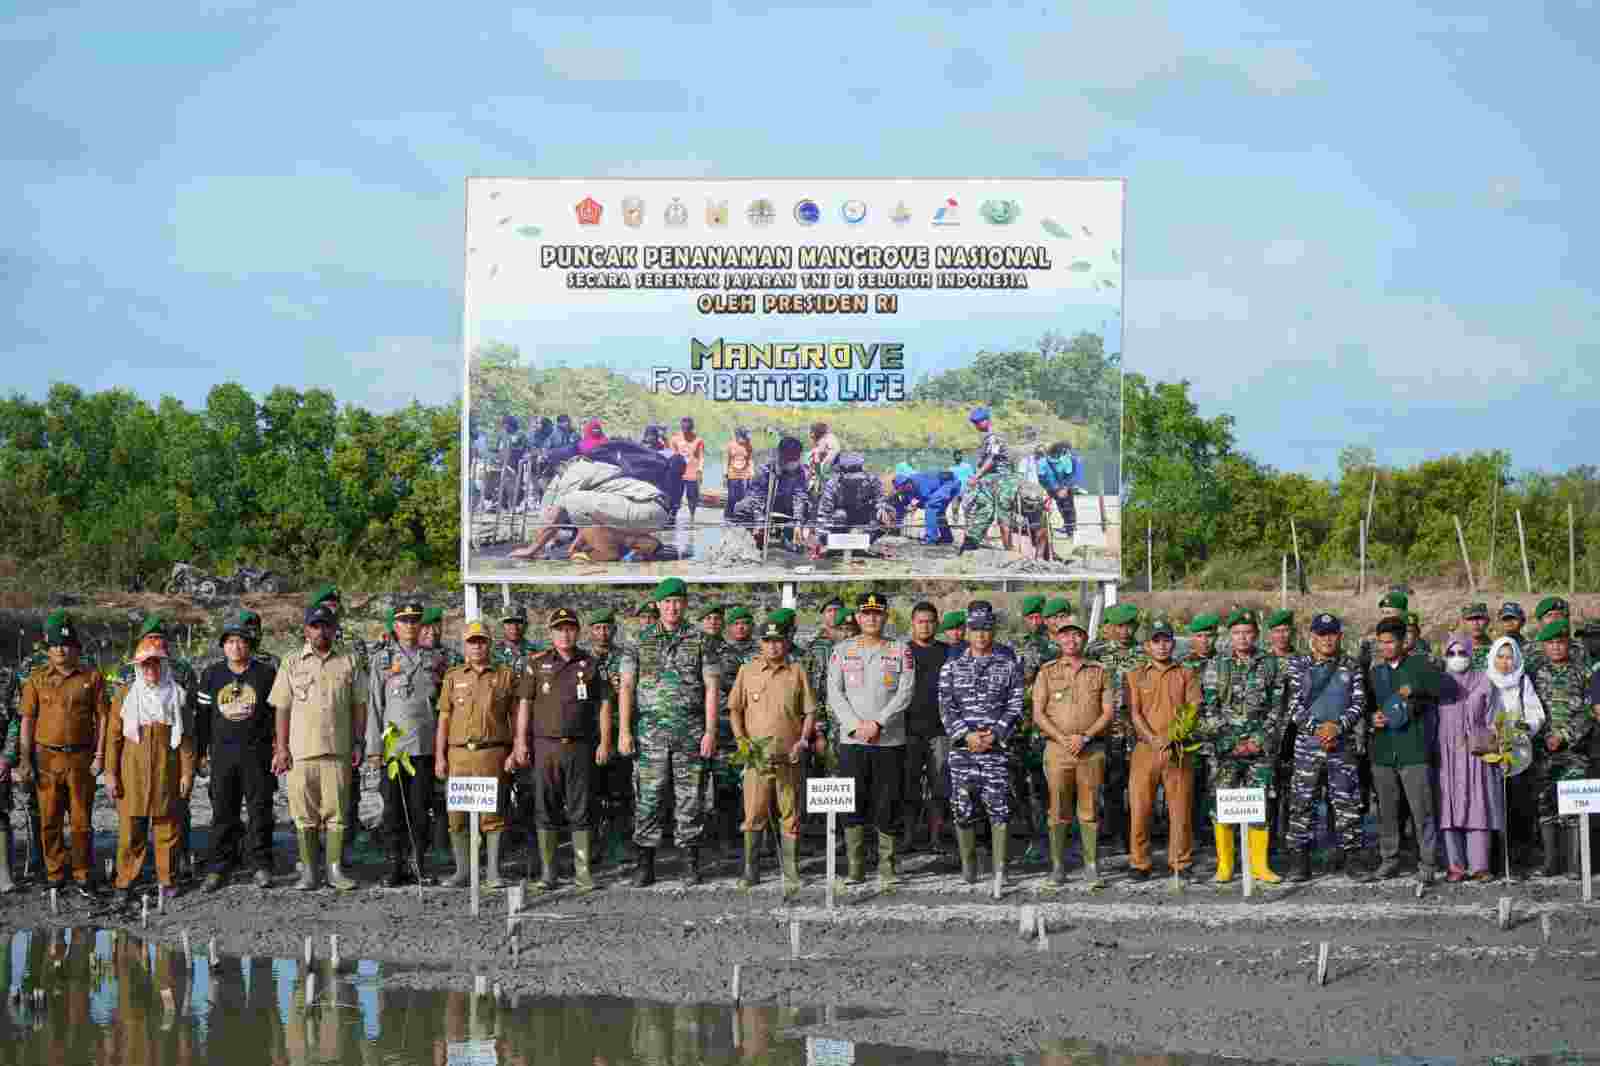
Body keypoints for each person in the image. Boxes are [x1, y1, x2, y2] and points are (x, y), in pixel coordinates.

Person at [618, 578, 719, 887]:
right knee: (648, 800)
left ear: (685, 604)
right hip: (649, 736)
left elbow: (712, 687)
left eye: (678, 601)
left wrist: (711, 731)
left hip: (690, 734)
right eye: (667, 602)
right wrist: (624, 730)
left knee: (689, 801)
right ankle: (644, 865)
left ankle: (689, 864)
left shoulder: (701, 639)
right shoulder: (638, 640)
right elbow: (626, 686)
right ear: (658, 605)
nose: (673, 607)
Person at [513, 608, 613, 893]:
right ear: (551, 633)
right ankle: (549, 874)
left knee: (581, 809)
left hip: (579, 747)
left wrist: (605, 742)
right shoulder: (536, 664)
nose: (565, 634)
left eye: (570, 628)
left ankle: (582, 874)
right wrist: (520, 741)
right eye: (559, 629)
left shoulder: (591, 664)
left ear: (577, 632)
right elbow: (524, 704)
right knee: (546, 808)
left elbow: (605, 705)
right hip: (545, 747)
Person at [269, 603, 368, 891]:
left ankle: (335, 872)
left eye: (326, 626)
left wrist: (359, 742)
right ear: (305, 630)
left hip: (338, 750)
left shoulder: (349, 660)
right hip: (300, 753)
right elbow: (282, 708)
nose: (320, 631)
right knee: (303, 814)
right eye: (315, 626)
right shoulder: (291, 662)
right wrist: (282, 748)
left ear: (335, 629)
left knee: (337, 813)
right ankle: (309, 873)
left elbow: (359, 705)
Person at [15, 610, 110, 898]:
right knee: (50, 820)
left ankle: (82, 874)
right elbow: (27, 720)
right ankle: (55, 874)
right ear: (48, 648)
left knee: (81, 822)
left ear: (76, 648)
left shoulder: (91, 678)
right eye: (55, 644)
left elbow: (103, 718)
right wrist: (23, 758)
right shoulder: (36, 679)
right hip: (46, 759)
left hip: (81, 759)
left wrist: (100, 756)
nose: (60, 649)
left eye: (66, 644)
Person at [828, 592, 915, 887]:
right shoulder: (842, 650)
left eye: (877, 614)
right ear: (857, 617)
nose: (871, 619)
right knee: (852, 802)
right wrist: (855, 725)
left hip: (888, 740)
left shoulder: (900, 650)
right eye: (866, 614)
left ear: (886, 617)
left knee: (887, 802)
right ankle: (855, 867)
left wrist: (878, 722)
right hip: (853, 741)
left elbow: (905, 692)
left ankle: (887, 867)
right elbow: (834, 694)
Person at [728, 612, 816, 896]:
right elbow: (735, 709)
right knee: (753, 815)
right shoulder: (747, 671)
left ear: (786, 642)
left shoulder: (797, 671)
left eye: (778, 641)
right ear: (761, 644)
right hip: (756, 758)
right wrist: (742, 741)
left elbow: (810, 712)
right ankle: (751, 871)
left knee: (790, 815)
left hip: (788, 757)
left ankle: (790, 871)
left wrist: (803, 740)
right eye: (768, 641)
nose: (774, 647)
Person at [106, 634, 197, 905]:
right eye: (145, 665)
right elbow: (113, 739)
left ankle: (167, 880)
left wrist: (187, 773)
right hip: (131, 775)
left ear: (164, 665)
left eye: (156, 664)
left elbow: (187, 740)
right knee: (130, 831)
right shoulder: (124, 696)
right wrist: (110, 774)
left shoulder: (177, 696)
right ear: (138, 667)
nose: (150, 670)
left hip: (165, 775)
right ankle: (124, 882)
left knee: (167, 829)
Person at [940, 601, 1026, 886]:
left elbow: (1015, 705)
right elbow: (946, 706)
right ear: (966, 631)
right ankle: (969, 867)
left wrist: (995, 734)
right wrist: (967, 735)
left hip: (995, 749)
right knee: (961, 806)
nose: (981, 635)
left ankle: (1000, 868)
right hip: (963, 749)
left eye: (986, 629)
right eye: (975, 629)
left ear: (993, 631)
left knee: (998, 805)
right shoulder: (952, 666)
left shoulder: (1009, 664)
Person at [196, 610, 279, 892]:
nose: (236, 646)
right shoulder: (211, 674)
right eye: (230, 641)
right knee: (222, 811)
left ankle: (260, 864)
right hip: (222, 754)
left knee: (260, 810)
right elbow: (203, 718)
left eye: (241, 641)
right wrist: (201, 753)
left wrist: (280, 748)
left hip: (257, 754)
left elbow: (276, 715)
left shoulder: (266, 674)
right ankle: (219, 866)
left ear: (250, 644)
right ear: (223, 645)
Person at [1282, 613, 1369, 882]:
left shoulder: (1351, 666)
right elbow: (1294, 705)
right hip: (1308, 746)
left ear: (1340, 636)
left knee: (1347, 802)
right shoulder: (1298, 665)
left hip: (1341, 745)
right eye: (1322, 634)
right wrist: (1317, 729)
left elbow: (1359, 703)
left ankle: (1352, 859)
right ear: (1312, 638)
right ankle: (1300, 861)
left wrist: (1338, 727)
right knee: (1302, 803)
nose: (1327, 639)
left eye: (1332, 633)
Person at [1198, 608, 1282, 884]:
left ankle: (1259, 865)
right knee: (1222, 804)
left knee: (1259, 804)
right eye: (1237, 633)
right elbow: (1209, 707)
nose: (1242, 638)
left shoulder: (1270, 664)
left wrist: (1258, 740)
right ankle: (1225, 865)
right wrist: (1229, 741)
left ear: (1256, 635)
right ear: (1229, 636)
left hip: (1259, 747)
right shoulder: (1216, 664)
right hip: (1225, 749)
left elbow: (1279, 707)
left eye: (1247, 633)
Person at [366, 602, 446, 887]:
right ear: (395, 627)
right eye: (404, 621)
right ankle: (394, 864)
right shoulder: (381, 660)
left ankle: (418, 864)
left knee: (420, 809)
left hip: (424, 746)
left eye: (415, 621)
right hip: (393, 748)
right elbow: (375, 705)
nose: (410, 626)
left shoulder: (435, 659)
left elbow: (443, 707)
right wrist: (374, 748)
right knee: (392, 810)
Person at [1031, 609, 1113, 887]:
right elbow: (1038, 713)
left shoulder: (1099, 671)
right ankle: (1058, 866)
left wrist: (1085, 737)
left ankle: (1091, 866)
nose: (1071, 640)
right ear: (1058, 640)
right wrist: (1062, 737)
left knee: (1089, 810)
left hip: (1090, 750)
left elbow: (1108, 711)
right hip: (1058, 750)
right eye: (1065, 635)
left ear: (1084, 639)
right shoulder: (1047, 671)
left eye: (1076, 635)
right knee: (1058, 810)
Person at [435, 621, 518, 888]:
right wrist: (440, 756)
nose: (477, 646)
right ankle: (462, 871)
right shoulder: (453, 676)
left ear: (489, 644)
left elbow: (515, 717)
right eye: (472, 641)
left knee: (491, 815)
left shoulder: (505, 676)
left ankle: (493, 873)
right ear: (464, 645)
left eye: (481, 641)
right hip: (459, 754)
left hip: (492, 753)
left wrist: (515, 750)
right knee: (457, 816)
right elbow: (444, 719)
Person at [1125, 619, 1203, 882]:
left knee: (1180, 809)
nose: (1162, 646)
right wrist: (1152, 738)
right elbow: (1134, 713)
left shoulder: (1186, 673)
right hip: (1145, 749)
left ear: (1173, 643)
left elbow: (1193, 710)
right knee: (1140, 808)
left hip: (1178, 749)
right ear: (1147, 645)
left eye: (1166, 640)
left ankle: (1180, 860)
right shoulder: (1136, 674)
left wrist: (1170, 738)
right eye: (1156, 641)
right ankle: (1140, 862)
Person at [1366, 615, 1440, 881]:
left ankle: (1428, 864)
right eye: (1381, 642)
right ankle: (1389, 860)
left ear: (1403, 641)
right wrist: (1371, 718)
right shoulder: (1375, 672)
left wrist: (1414, 687)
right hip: (1384, 752)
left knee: (1422, 811)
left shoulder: (1421, 664)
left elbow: (1440, 685)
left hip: (1413, 750)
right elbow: (1365, 706)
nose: (1386, 647)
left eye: (1391, 642)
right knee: (1387, 812)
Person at [1529, 619, 1593, 878]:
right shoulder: (1535, 674)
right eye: (1551, 643)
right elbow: (1529, 708)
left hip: (1574, 752)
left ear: (1568, 643)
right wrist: (1543, 737)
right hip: (1543, 751)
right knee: (1545, 807)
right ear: (1544, 646)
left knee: (1574, 808)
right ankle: (1550, 864)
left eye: (1560, 642)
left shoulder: (1583, 673)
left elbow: (1590, 711)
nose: (1556, 647)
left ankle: (1576, 866)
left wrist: (1565, 736)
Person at [1435, 634, 1501, 881]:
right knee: (1448, 807)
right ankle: (1455, 866)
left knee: (1478, 804)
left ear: (1472, 655)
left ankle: (1480, 866)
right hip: (1446, 753)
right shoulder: (1439, 682)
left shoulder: (1484, 681)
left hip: (1476, 752)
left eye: (1463, 653)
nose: (1457, 658)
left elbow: (1494, 716)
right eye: (1451, 653)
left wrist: (1494, 743)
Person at [1483, 634, 1546, 874]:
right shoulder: (1485, 680)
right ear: (1493, 657)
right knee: (1495, 807)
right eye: (1501, 656)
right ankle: (1495, 861)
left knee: (1518, 808)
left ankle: (1518, 862)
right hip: (1491, 753)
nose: (1505, 662)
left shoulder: (1523, 682)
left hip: (1518, 754)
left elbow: (1536, 713)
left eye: (1510, 657)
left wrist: (1526, 726)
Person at [1088, 603, 1143, 854]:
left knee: (1137, 785)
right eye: (1119, 626)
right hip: (1105, 729)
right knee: (1109, 783)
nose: (1124, 631)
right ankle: (1114, 833)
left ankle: (1136, 834)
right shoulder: (1095, 653)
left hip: (1136, 730)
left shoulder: (1143, 653)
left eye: (1129, 626)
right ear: (1108, 627)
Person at [901, 601, 953, 859]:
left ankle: (936, 838)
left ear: (937, 623)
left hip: (940, 730)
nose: (926, 625)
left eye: (931, 621)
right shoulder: (901, 651)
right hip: (908, 730)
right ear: (912, 623)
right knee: (908, 787)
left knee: (940, 786)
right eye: (921, 621)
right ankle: (909, 837)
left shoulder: (948, 652)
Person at [587, 609, 637, 865]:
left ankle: (620, 844)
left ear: (613, 630)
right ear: (591, 631)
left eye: (607, 628)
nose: (602, 632)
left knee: (621, 793)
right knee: (593, 792)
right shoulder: (584, 659)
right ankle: (594, 845)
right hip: (590, 732)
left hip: (620, 730)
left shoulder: (626, 656)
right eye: (597, 628)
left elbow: (634, 688)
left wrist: (623, 687)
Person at [959, 407, 1020, 555]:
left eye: (978, 422)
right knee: (984, 511)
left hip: (1002, 479)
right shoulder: (988, 438)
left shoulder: (994, 438)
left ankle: (1009, 551)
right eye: (975, 423)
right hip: (990, 479)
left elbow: (991, 460)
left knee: (1003, 516)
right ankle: (970, 544)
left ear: (987, 421)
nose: (976, 425)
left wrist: (976, 476)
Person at [731, 436, 809, 549]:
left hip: (786, 507)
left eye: (796, 459)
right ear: (781, 456)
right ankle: (748, 538)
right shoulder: (765, 468)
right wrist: (760, 522)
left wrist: (798, 523)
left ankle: (789, 535)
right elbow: (757, 497)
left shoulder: (799, 471)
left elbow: (800, 496)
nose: (793, 462)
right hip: (764, 506)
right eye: (790, 459)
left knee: (806, 506)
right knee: (741, 508)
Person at [811, 453, 885, 557]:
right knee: (840, 515)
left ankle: (863, 545)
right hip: (840, 521)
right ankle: (837, 547)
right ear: (841, 473)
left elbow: (881, 499)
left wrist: (882, 508)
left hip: (863, 517)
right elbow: (824, 513)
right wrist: (822, 539)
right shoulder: (832, 485)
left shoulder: (872, 480)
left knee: (884, 513)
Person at [888, 468, 960, 545]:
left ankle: (931, 538)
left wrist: (917, 505)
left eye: (899, 488)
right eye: (897, 489)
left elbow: (926, 501)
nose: (899, 491)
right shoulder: (906, 489)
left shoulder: (919, 483)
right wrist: (897, 523)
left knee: (931, 507)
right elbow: (902, 506)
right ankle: (947, 538)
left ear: (906, 484)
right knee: (938, 512)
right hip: (943, 485)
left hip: (950, 483)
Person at [1036, 442, 1079, 541]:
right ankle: (1070, 529)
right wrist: (1059, 489)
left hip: (1061, 489)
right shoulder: (1045, 462)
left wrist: (1061, 489)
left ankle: (1070, 528)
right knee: (1066, 508)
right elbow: (1042, 479)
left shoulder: (1045, 461)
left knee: (1065, 508)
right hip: (1058, 489)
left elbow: (1069, 476)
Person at [667, 416, 707, 525]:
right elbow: (671, 456)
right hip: (678, 473)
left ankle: (692, 518)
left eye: (688, 429)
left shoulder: (698, 440)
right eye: (684, 428)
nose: (686, 431)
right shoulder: (675, 438)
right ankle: (672, 517)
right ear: (681, 427)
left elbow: (701, 457)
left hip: (692, 473)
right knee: (675, 497)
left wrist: (700, 470)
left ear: (691, 428)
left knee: (692, 498)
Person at [724, 428, 754, 522]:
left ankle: (739, 517)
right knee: (731, 497)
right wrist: (725, 474)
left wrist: (751, 474)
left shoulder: (748, 445)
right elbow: (727, 460)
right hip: (732, 475)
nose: (744, 440)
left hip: (744, 475)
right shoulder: (731, 445)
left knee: (742, 497)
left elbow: (750, 460)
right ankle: (728, 516)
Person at [1461, 603, 1493, 671]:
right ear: (1463, 622)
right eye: (1470, 619)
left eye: (1479, 618)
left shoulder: (1496, 650)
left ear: (1487, 621)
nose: (1475, 623)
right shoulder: (1456, 650)